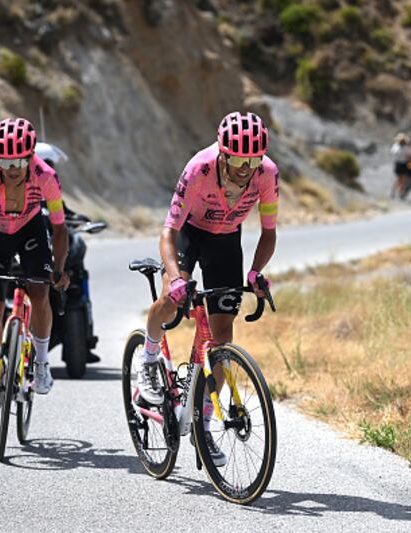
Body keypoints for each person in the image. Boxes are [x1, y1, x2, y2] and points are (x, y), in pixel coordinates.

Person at [136, 111, 279, 466]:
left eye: (253, 159)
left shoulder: (268, 174)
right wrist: (178, 277)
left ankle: (203, 426)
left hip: (226, 241)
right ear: (221, 152)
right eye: (237, 159)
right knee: (171, 298)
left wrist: (256, 273)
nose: (246, 167)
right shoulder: (199, 168)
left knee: (221, 337)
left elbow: (269, 232)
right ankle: (149, 357)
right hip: (189, 233)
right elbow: (169, 231)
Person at [0, 117, 70, 409]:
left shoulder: (46, 176)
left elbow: (59, 228)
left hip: (31, 231)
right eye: (5, 164)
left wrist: (58, 267)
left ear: (31, 157)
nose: (13, 171)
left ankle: (42, 363)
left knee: (41, 293)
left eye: (18, 163)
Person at [390, 133, 411, 199]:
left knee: (400, 179)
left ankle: (396, 192)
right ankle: (399, 193)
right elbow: (409, 155)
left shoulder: (396, 146)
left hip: (398, 164)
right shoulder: (404, 147)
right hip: (402, 164)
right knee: (402, 180)